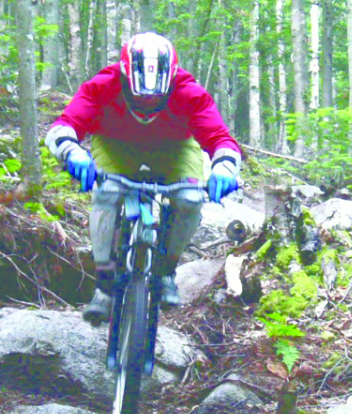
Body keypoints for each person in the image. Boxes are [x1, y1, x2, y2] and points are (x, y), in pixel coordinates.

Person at [45, 32, 242, 325]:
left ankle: (166, 271)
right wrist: (71, 151)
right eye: (139, 95)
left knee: (189, 199)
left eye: (156, 96)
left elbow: (219, 138)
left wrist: (224, 168)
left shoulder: (190, 93)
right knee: (107, 193)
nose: (147, 102)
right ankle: (104, 281)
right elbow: (66, 124)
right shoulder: (103, 85)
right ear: (124, 78)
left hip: (174, 147)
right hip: (114, 143)